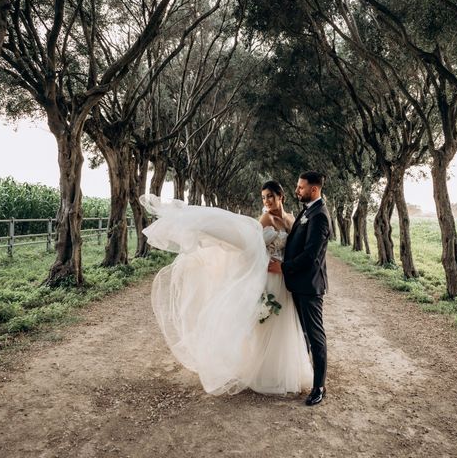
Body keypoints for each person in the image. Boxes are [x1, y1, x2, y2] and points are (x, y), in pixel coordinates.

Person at [139, 181, 312, 396]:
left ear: (281, 197)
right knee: (267, 324)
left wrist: (287, 267)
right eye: (264, 197)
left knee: (283, 322)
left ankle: (282, 372)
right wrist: (266, 263)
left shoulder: (290, 220)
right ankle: (263, 373)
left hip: (283, 276)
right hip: (268, 276)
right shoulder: (265, 219)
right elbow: (254, 249)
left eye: (270, 196)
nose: (266, 201)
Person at [269, 171, 331, 406]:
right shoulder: (308, 211)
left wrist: (283, 268)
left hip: (309, 286)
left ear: (314, 189)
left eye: (301, 187)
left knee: (316, 336)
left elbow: (310, 256)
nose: (297, 190)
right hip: (299, 284)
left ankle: (319, 387)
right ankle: (303, 374)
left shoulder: (320, 216)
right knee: (303, 333)